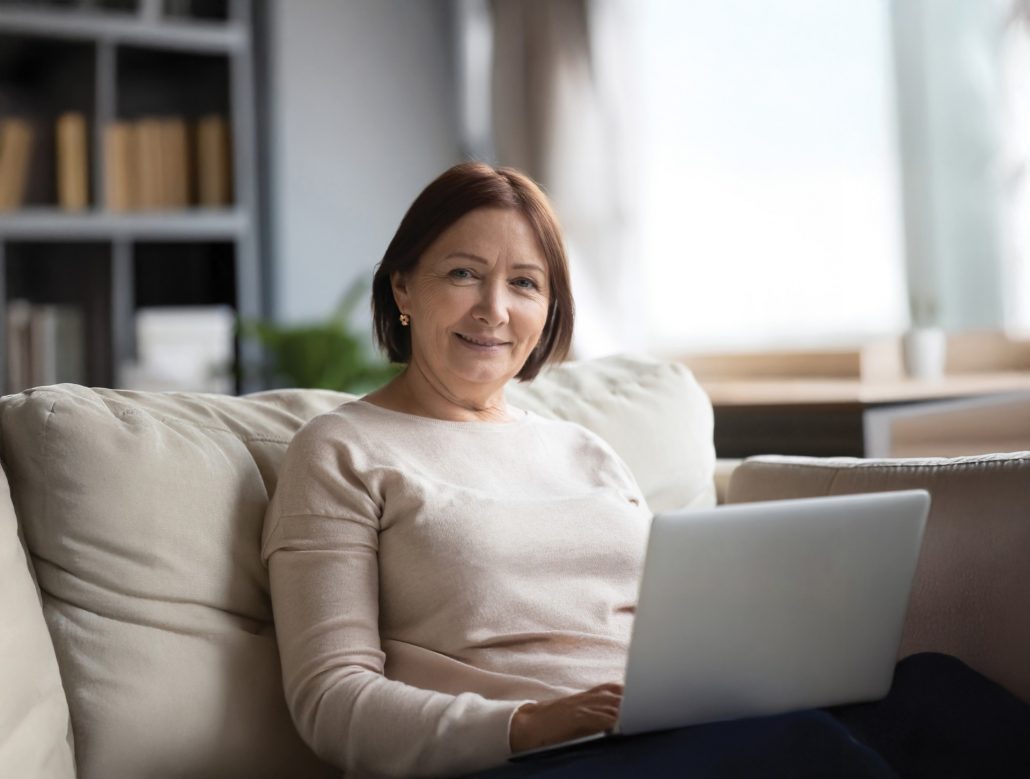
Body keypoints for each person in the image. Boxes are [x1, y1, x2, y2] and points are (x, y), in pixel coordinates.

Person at [262, 162, 1030, 779]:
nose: (495, 308)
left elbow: (676, 616)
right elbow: (334, 700)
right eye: (464, 273)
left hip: (670, 724)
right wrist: (530, 723)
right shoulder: (340, 451)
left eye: (524, 283)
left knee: (941, 691)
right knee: (802, 749)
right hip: (531, 753)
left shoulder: (583, 449)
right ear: (404, 287)